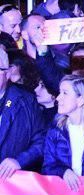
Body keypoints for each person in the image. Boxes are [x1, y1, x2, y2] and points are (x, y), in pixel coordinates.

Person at [0, 46, 47, 178]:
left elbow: (41, 140)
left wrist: (20, 160)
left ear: (7, 74)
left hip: (13, 180)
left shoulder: (25, 100)